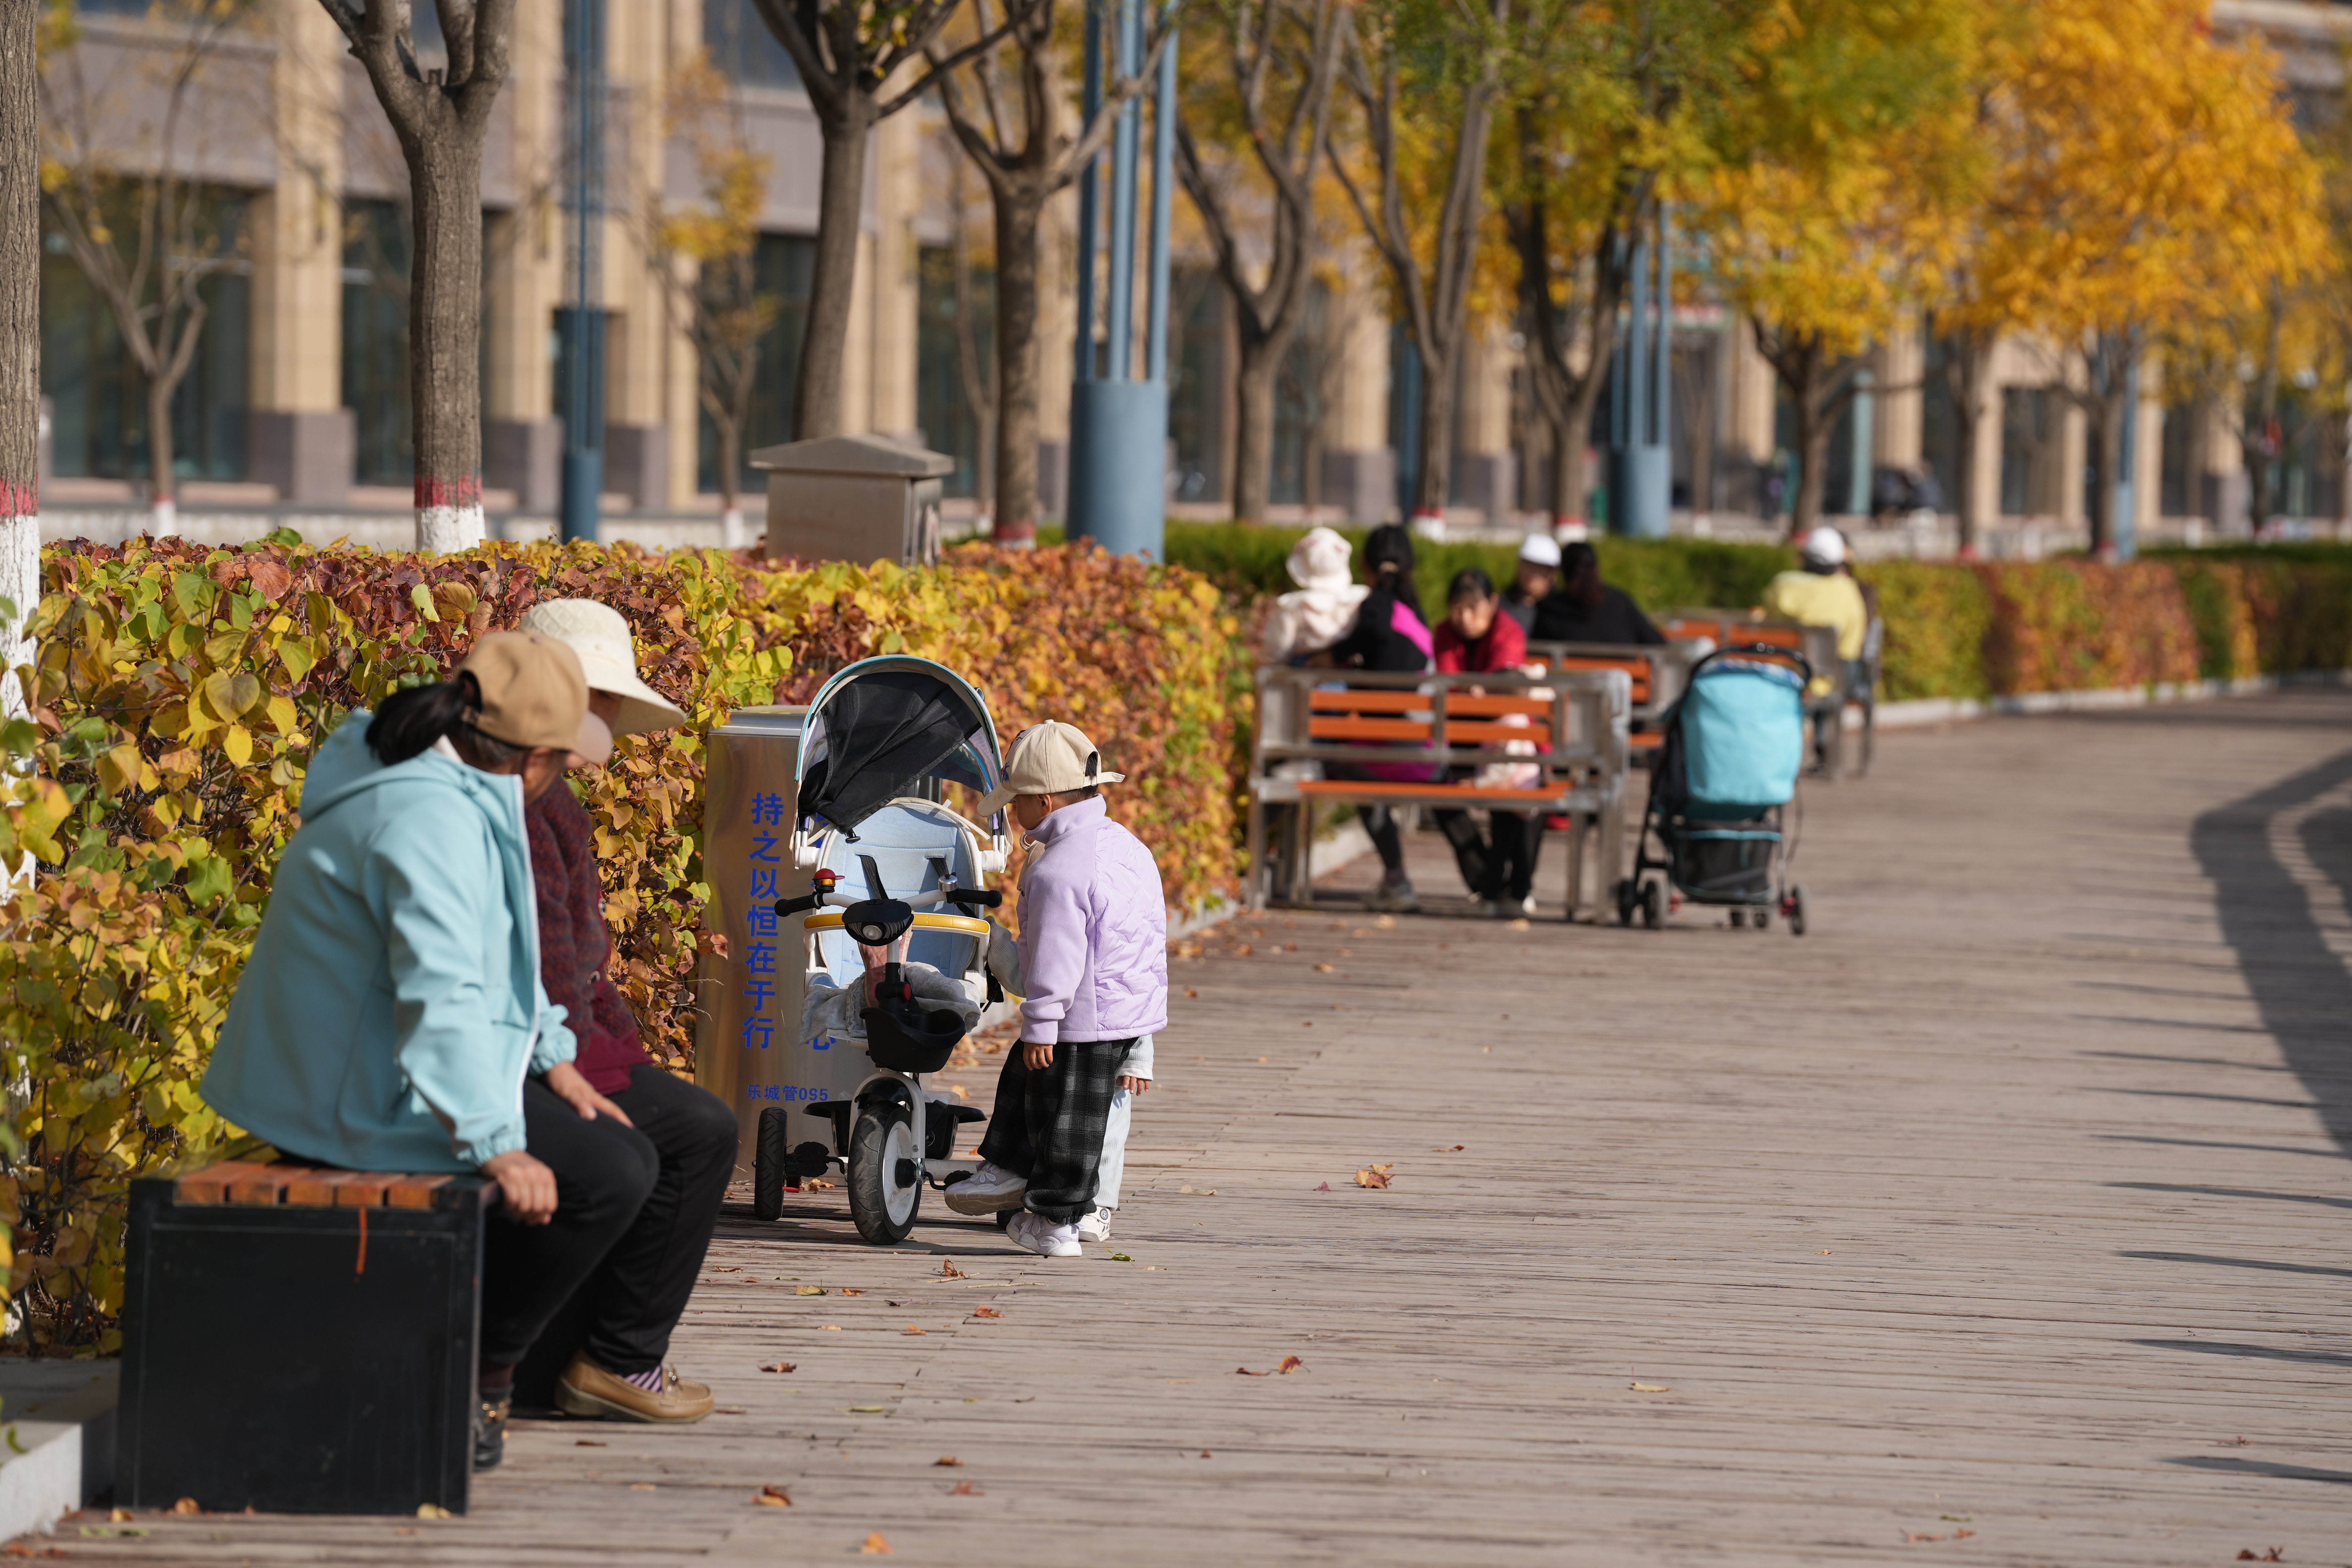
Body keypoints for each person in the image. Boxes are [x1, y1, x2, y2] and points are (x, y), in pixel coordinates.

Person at [201, 633, 710, 1479]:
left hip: (382, 1067)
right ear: (536, 756)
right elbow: (438, 987)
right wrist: (492, 1140)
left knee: (625, 1150)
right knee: (606, 1175)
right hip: (340, 1095)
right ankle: (480, 1374)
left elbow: (498, 960)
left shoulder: (464, 790)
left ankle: (488, 1360)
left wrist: (553, 1059)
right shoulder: (427, 815)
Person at [505, 599, 738, 1427]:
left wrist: (619, 1050)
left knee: (687, 1125)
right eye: (593, 699)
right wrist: (588, 1063)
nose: (603, 719)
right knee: (694, 1132)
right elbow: (536, 967)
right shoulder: (522, 801)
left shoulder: (552, 798)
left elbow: (575, 958)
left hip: (561, 1043)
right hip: (526, 1056)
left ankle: (610, 1355)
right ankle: (617, 1359)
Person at [945, 722, 1168, 1258]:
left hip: (1082, 1014)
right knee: (1030, 1086)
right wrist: (1140, 1041)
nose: (1011, 813)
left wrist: (1041, 1022)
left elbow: (1058, 957)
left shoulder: (1060, 870)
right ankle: (1010, 1169)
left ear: (1043, 801)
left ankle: (1056, 1222)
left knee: (1071, 1119)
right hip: (1123, 1008)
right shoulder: (1127, 847)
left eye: (1015, 802)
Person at [1317, 522, 1435, 913]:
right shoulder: (1414, 611)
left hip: (1382, 752)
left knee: (1336, 764)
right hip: (1423, 751)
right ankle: (1402, 879)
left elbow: (1342, 652)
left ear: (1365, 566)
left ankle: (1397, 876)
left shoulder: (1375, 607)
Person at [1431, 567, 1542, 916]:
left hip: (1506, 740)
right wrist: (1478, 690)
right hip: (1468, 739)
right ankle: (1490, 881)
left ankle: (1511, 885)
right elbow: (1456, 683)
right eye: (1457, 608)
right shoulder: (1445, 632)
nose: (1465, 618)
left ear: (1493, 604)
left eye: (1473, 609)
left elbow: (1501, 685)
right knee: (1443, 794)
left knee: (1512, 797)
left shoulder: (1508, 630)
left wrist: (1476, 690)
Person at [1760, 526, 1870, 766]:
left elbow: (1767, 621)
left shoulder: (1783, 584)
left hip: (1785, 670)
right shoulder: (1846, 589)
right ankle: (1825, 747)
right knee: (1835, 676)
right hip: (1829, 674)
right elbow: (1853, 636)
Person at [1076, 1035, 1152, 1244]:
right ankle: (1027, 1194)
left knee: (1107, 1127)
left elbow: (1143, 1004)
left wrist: (1137, 1058)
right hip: (1060, 1035)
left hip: (1114, 1042)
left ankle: (1098, 1205)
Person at [1261, 525, 1369, 664]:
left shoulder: (1291, 606)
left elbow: (1276, 651)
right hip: (1349, 672)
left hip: (1305, 676)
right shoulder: (1361, 598)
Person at [1532, 542, 1664, 646]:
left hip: (1571, 681)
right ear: (1597, 569)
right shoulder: (1619, 602)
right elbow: (1657, 643)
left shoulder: (1550, 609)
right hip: (1624, 679)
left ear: (1563, 573)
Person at [1499, 533, 1559, 634]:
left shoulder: (1562, 613)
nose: (1533, 571)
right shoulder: (1500, 609)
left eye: (1541, 566)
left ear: (1553, 573)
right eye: (1529, 563)